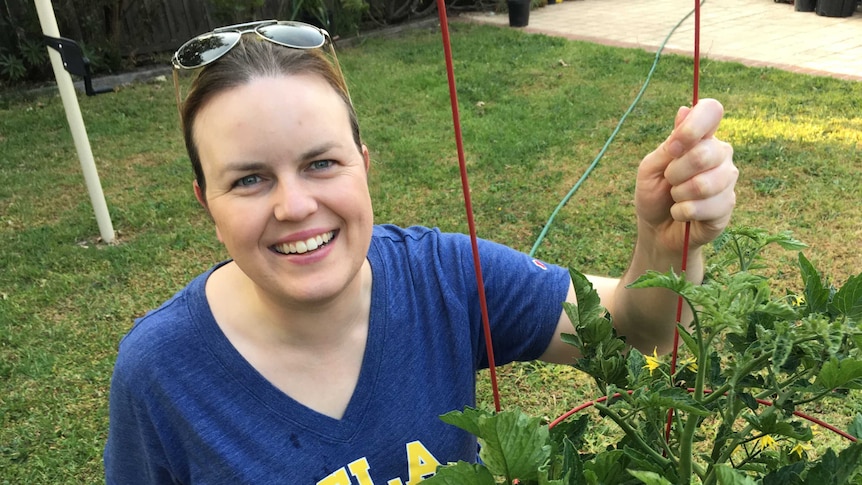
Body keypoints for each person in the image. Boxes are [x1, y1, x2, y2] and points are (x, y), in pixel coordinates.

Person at [104, 20, 738, 484]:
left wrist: (661, 243)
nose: (293, 206)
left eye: (321, 163)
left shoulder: (443, 277)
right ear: (205, 202)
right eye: (248, 179)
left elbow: (634, 331)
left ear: (364, 166)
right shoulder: (160, 371)